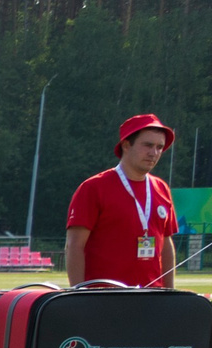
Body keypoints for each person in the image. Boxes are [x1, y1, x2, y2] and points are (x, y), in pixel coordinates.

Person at [66, 115, 179, 288]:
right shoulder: (94, 187)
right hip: (104, 297)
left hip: (153, 298)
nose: (154, 153)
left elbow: (166, 245)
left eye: (159, 147)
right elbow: (74, 246)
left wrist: (170, 293)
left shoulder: (161, 188)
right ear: (126, 145)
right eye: (148, 145)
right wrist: (79, 295)